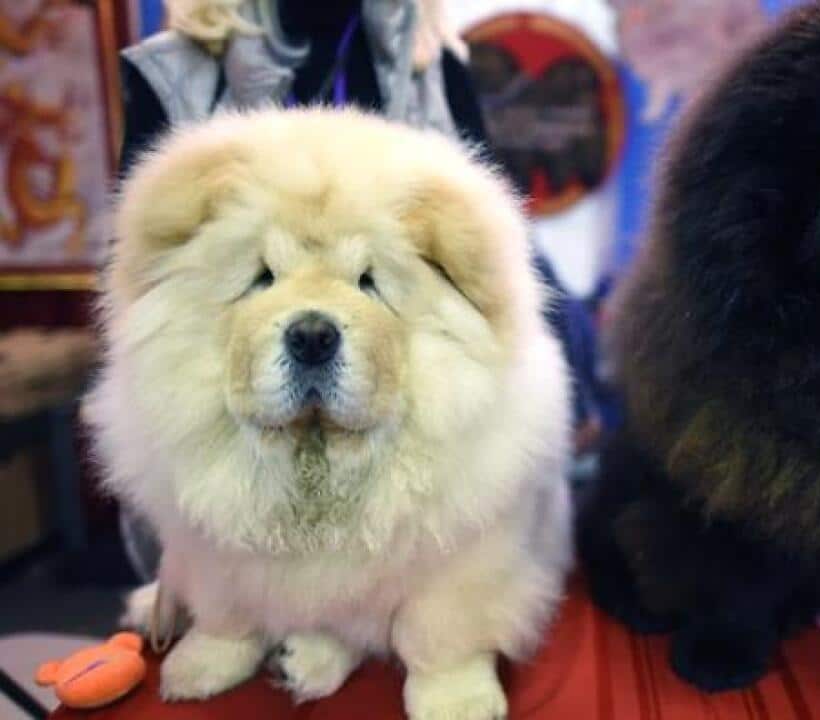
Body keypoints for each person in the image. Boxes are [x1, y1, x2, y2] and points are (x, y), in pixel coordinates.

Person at [114, 0, 603, 581]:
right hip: (234, 459)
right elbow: (146, 301)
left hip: (397, 474)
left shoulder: (433, 64)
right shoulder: (175, 73)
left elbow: (490, 265)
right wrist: (185, 556)